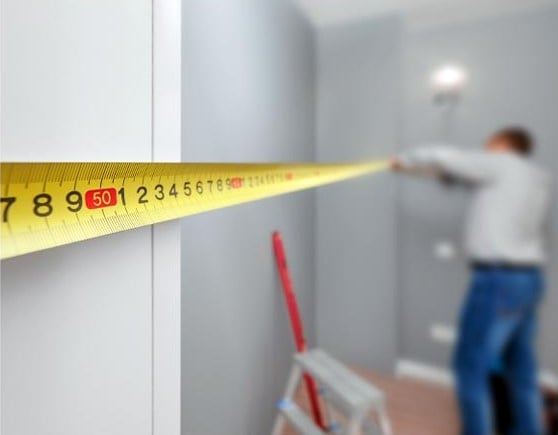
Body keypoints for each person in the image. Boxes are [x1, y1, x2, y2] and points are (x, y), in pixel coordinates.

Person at [392, 127, 552, 435]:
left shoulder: (501, 163)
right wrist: (432, 174)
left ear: (505, 142)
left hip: (498, 282)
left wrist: (401, 159)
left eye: (491, 141)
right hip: (529, 280)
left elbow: (444, 156)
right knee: (521, 371)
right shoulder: (535, 176)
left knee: (471, 369)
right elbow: (457, 175)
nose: (485, 145)